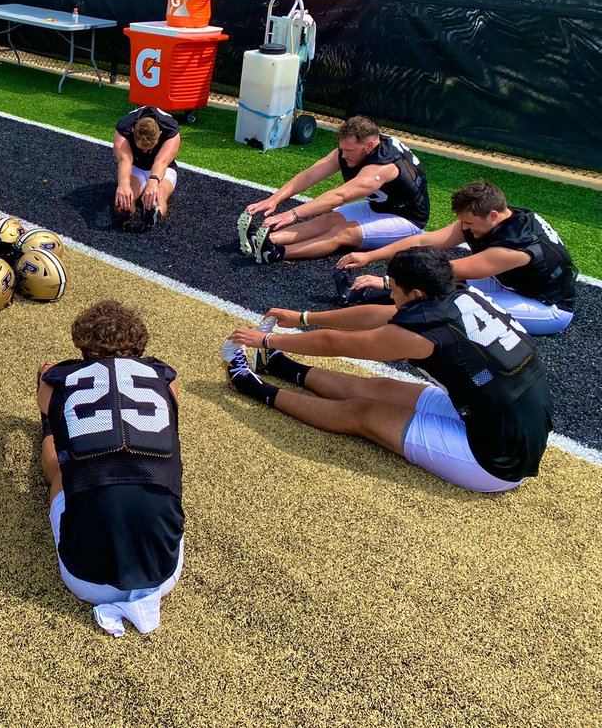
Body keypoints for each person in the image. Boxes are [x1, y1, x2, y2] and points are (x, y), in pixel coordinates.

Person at [224, 248, 552, 493]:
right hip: (502, 413)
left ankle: (253, 387)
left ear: (417, 294)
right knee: (382, 388)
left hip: (498, 457)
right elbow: (376, 316)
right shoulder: (459, 293)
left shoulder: (423, 331)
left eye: (394, 288)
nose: (390, 293)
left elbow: (335, 345)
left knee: (363, 413)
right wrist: (304, 317)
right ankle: (280, 364)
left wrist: (266, 338)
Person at [38, 300, 184, 637]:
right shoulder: (166, 381)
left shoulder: (57, 381)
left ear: (82, 345)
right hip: (162, 572)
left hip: (86, 578)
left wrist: (49, 382)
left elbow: (46, 401)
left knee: (62, 468)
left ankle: (47, 436)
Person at [336, 181, 576, 335]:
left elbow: (445, 271)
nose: (464, 229)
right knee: (438, 291)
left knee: (448, 307)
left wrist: (388, 281)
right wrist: (369, 255)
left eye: (469, 224)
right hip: (507, 281)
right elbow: (424, 241)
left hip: (546, 307)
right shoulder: (499, 214)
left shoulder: (515, 248)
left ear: (493, 215)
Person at [237, 116, 429, 263]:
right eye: (341, 149)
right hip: (380, 206)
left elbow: (340, 195)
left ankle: (278, 252)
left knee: (341, 232)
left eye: (349, 151)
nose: (343, 156)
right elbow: (310, 174)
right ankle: (263, 240)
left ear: (369, 146)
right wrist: (275, 199)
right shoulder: (359, 147)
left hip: (407, 219)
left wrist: (293, 214)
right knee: (328, 219)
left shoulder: (382, 168)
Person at [113, 105, 180, 232]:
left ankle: (153, 213)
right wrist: (123, 184)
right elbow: (125, 159)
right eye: (141, 147)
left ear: (160, 134)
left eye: (149, 148)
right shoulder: (124, 128)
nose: (144, 151)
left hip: (163, 169)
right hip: (135, 166)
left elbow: (162, 161)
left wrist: (153, 181)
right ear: (133, 132)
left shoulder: (171, 130)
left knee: (158, 196)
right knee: (126, 199)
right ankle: (125, 213)